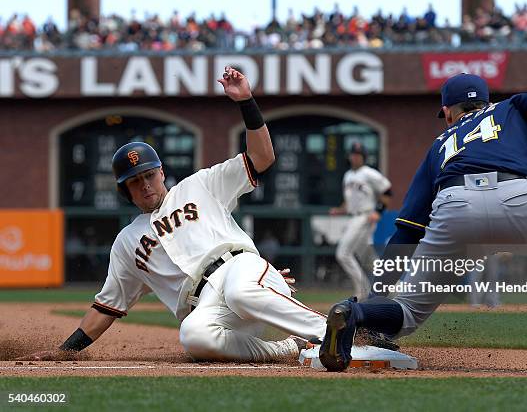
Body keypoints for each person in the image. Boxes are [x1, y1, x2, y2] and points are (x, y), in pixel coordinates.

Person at [23, 67, 328, 362]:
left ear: (161, 173)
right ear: (125, 191)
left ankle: (334, 333)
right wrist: (66, 351)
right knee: (193, 336)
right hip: (207, 307)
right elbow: (106, 307)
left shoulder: (200, 184)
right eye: (134, 181)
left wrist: (246, 101)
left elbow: (262, 157)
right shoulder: (127, 243)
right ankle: (290, 349)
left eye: (149, 175)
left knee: (240, 291)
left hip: (238, 269)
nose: (144, 185)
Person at [319, 73, 527, 372]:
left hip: (456, 208)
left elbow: (406, 231)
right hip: (519, 197)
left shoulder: (440, 143)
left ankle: (354, 313)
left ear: (449, 112)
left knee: (408, 311)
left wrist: (374, 299)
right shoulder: (509, 108)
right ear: (485, 101)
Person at [329, 142, 392, 300]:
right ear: (350, 156)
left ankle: (363, 290)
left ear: (363, 157)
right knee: (368, 258)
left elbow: (387, 191)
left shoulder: (369, 173)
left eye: (359, 154)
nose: (355, 157)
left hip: (365, 216)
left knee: (343, 253)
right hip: (354, 216)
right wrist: (340, 209)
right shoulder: (348, 175)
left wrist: (378, 211)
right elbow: (349, 201)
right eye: (353, 154)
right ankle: (393, 287)